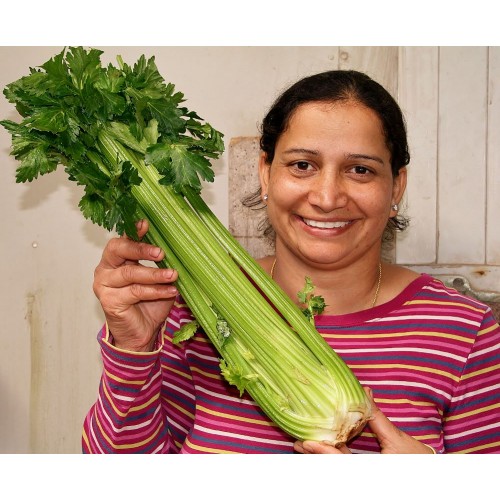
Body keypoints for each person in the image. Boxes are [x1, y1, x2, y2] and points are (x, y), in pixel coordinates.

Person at [83, 69, 500, 454]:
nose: (327, 197)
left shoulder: (467, 334)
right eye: (303, 165)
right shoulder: (197, 311)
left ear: (397, 187)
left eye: (360, 170)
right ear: (265, 172)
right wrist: (133, 348)